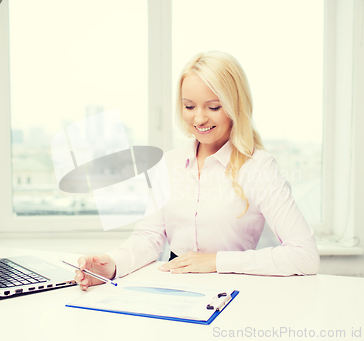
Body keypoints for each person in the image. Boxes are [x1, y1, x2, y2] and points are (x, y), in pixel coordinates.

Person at [75, 51, 320, 290]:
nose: (199, 119)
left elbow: (305, 255)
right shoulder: (170, 163)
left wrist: (215, 261)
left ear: (235, 106)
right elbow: (148, 238)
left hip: (232, 291)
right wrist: (111, 266)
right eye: (189, 106)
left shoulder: (258, 167)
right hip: (173, 289)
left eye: (213, 107)